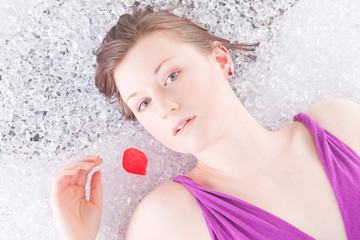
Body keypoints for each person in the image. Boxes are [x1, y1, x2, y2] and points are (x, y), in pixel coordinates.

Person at [50, 6, 360, 240]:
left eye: (171, 76)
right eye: (143, 103)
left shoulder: (340, 125)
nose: (164, 107)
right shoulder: (170, 218)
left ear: (221, 61)